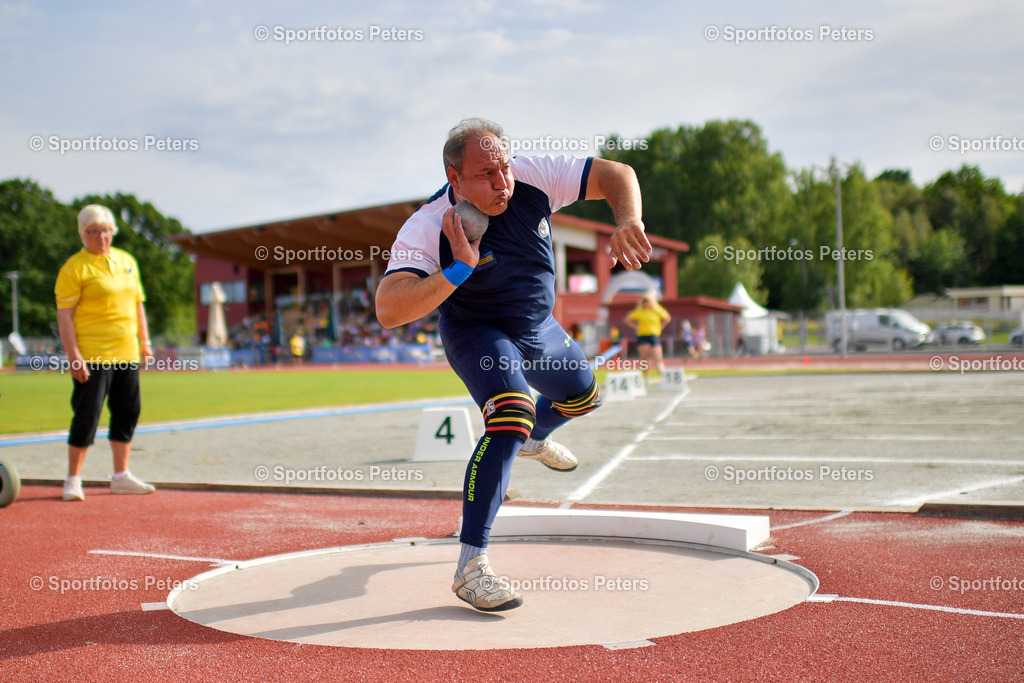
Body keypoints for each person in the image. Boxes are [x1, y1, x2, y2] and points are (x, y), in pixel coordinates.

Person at [376, 118, 651, 612]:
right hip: (479, 332)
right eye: (486, 174)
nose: (503, 182)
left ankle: (534, 439)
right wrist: (457, 268)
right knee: (511, 412)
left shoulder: (533, 177)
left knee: (584, 395)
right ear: (454, 177)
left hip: (538, 328)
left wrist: (628, 219)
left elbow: (617, 172)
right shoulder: (427, 224)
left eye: (504, 166)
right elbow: (389, 308)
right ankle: (471, 567)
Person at [55, 204, 156, 501]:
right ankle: (73, 479)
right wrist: (74, 355)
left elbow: (138, 304)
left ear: (113, 232)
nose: (100, 237)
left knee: (128, 412)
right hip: (93, 354)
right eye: (92, 232)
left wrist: (146, 341)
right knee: (87, 415)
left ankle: (121, 476)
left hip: (127, 351)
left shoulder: (128, 261)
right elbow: (64, 316)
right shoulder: (74, 267)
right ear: (82, 234)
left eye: (105, 231)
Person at [624, 293, 671, 379]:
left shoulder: (656, 310)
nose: (646, 303)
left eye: (648, 301)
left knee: (658, 357)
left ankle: (664, 376)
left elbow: (667, 318)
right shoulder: (639, 312)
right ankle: (646, 377)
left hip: (654, 336)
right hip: (643, 336)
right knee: (645, 359)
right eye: (644, 302)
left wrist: (661, 327)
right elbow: (627, 319)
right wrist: (636, 327)